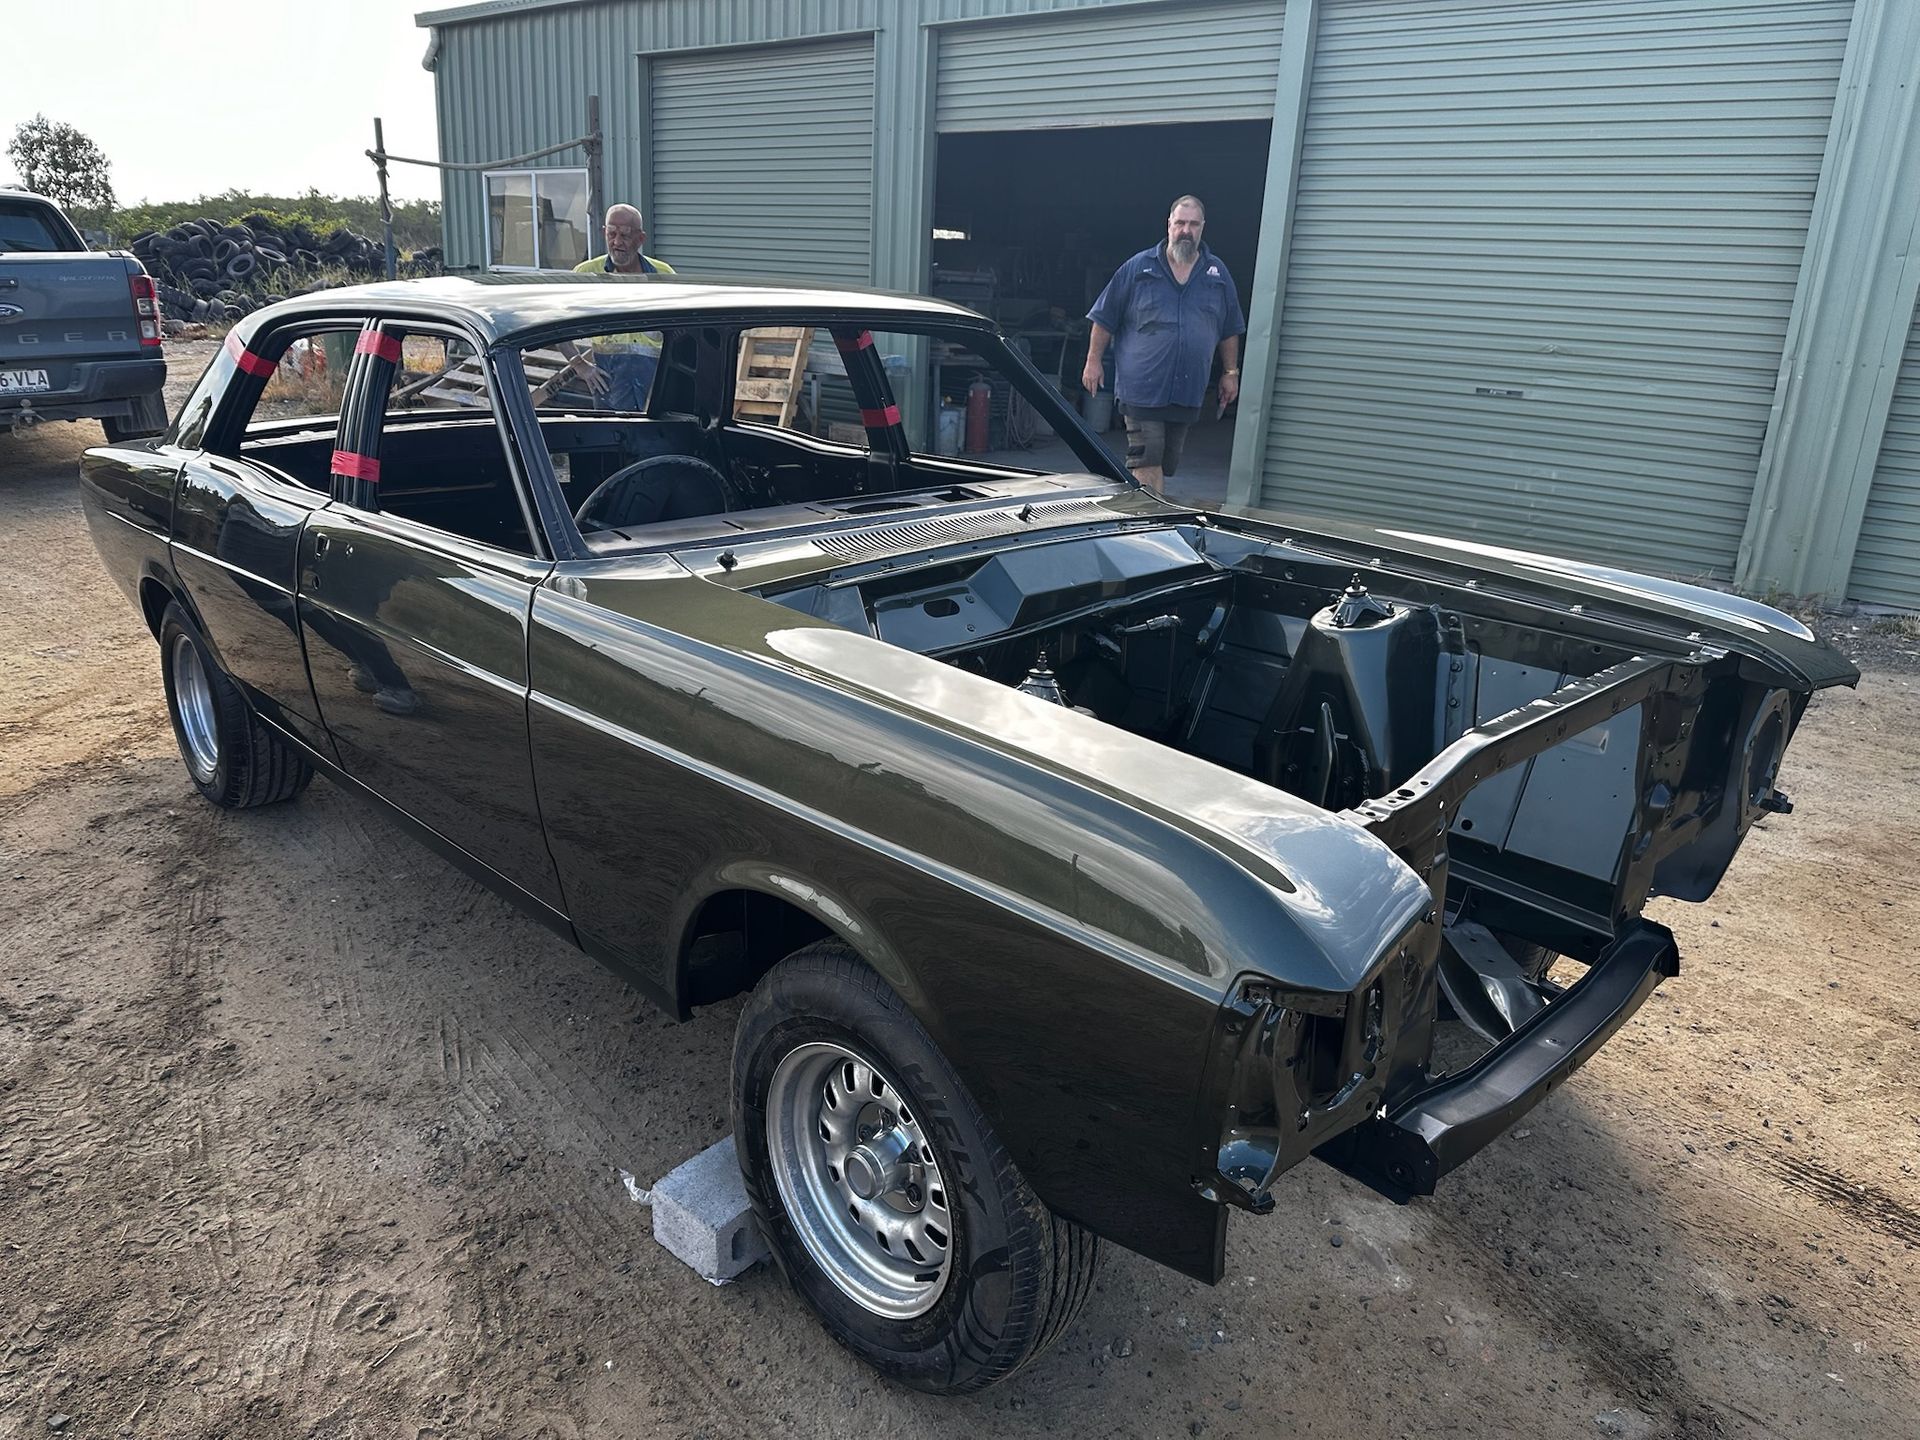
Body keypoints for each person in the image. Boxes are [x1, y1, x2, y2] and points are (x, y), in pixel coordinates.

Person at [1082, 195, 1246, 494]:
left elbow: (1229, 328)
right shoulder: (1138, 268)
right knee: (1147, 457)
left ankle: (1144, 504)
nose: (1186, 230)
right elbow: (1104, 317)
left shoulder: (1217, 275)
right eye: (1180, 223)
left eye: (1193, 224)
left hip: (1187, 389)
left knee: (1167, 462)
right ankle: (1146, 523)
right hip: (1142, 386)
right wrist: (1093, 360)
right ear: (1168, 224)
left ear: (1202, 228)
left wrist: (1231, 372)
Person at [572, 203, 676, 409]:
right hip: (608, 383)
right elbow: (552, 318)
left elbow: (683, 328)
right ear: (604, 232)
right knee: (611, 438)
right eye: (611, 233)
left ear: (641, 239)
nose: (617, 242)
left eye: (625, 235)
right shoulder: (586, 275)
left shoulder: (662, 275)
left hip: (654, 380)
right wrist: (579, 366)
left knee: (655, 438)